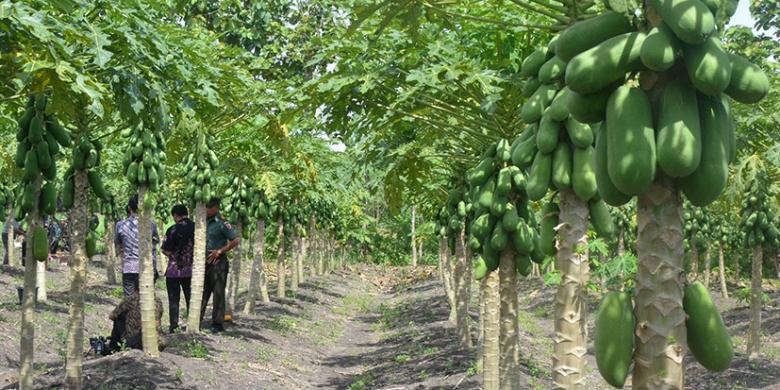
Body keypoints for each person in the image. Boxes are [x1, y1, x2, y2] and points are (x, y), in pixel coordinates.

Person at [200, 197, 240, 332]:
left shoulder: (222, 223)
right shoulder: (202, 221)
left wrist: (220, 251)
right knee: (202, 292)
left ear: (216, 208)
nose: (205, 210)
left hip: (218, 263)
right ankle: (196, 320)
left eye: (208, 208)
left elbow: (235, 240)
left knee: (218, 293)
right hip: (204, 262)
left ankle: (217, 323)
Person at [115, 195, 159, 296]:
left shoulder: (120, 225)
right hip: (147, 267)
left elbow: (117, 244)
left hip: (129, 267)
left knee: (129, 302)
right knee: (146, 299)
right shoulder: (151, 224)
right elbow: (155, 242)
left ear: (129, 208)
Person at [161, 205, 194, 333]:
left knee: (173, 300)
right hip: (191, 271)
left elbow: (165, 250)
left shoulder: (172, 229)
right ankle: (193, 323)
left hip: (174, 271)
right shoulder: (197, 228)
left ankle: (173, 326)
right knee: (191, 298)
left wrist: (174, 255)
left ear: (175, 215)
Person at [107, 277, 163, 353]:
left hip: (135, 342)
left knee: (118, 318)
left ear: (135, 287)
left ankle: (113, 347)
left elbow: (112, 316)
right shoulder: (158, 300)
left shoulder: (131, 299)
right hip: (156, 340)